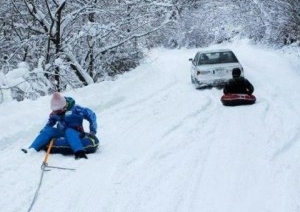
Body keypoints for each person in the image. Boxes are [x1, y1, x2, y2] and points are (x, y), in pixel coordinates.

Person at [23, 92, 97, 160]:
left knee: (69, 131)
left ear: (63, 107)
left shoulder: (76, 109)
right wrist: (44, 131)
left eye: (57, 111)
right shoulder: (56, 112)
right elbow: (51, 121)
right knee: (48, 130)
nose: (55, 112)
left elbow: (91, 115)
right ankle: (32, 149)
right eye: (54, 110)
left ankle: (79, 152)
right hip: (62, 132)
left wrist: (92, 130)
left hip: (75, 132)